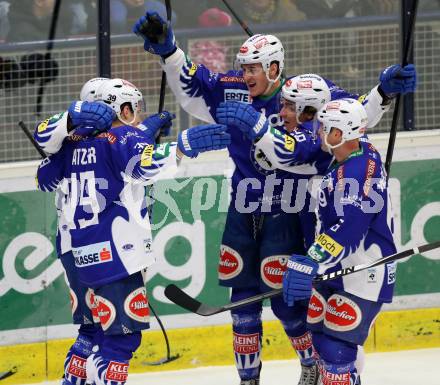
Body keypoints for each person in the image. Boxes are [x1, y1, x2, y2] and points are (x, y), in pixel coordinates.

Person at [133, 12, 415, 384]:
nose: (246, 74)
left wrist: (382, 93)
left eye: (254, 67)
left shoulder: (311, 96)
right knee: (243, 309)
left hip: (289, 207)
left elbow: (352, 117)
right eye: (243, 66)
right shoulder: (232, 87)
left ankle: (312, 365)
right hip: (244, 206)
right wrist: (169, 53)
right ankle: (249, 379)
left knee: (290, 304)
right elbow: (193, 88)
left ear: (275, 67)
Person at [35, 77, 230, 385]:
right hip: (114, 255)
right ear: (122, 110)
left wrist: (144, 135)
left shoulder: (71, 143)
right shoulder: (121, 137)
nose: (138, 115)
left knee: (94, 331)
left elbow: (44, 175)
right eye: (134, 109)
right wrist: (182, 146)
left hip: (81, 251)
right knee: (121, 341)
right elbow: (145, 162)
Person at [282, 98, 396, 385]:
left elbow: (349, 230)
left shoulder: (356, 174)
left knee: (337, 350)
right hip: (337, 270)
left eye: (324, 128)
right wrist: (381, 93)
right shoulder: (357, 149)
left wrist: (312, 261)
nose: (318, 132)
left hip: (364, 272)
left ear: (338, 135)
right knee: (320, 339)